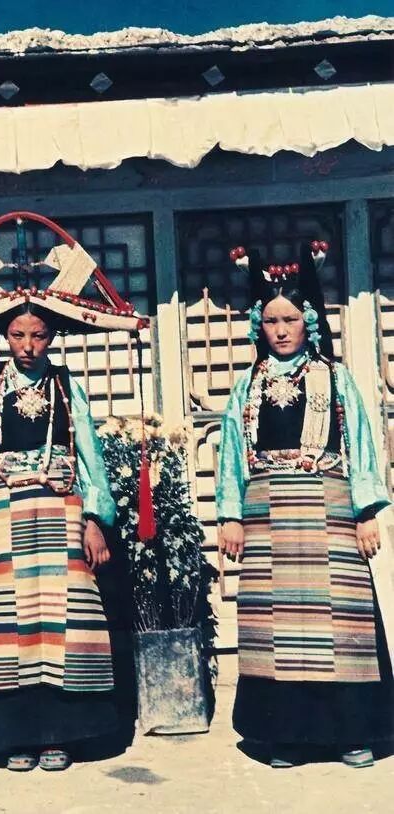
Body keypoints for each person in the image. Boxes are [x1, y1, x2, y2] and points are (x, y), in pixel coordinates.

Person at [217, 242, 393, 769]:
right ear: (259, 325)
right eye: (271, 321)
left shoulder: (334, 378)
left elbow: (360, 443)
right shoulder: (247, 386)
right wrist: (230, 516)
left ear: (308, 321)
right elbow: (232, 454)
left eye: (290, 319)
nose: (281, 330)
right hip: (267, 515)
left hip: (329, 509)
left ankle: (351, 734)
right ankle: (287, 736)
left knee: (340, 624)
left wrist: (365, 513)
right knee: (279, 629)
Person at [0, 304, 119, 771]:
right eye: (17, 335)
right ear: (4, 335)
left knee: (61, 624)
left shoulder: (66, 386)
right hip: (2, 515)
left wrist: (94, 519)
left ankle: (58, 735)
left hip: (60, 510)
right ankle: (15, 738)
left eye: (39, 335)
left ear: (52, 336)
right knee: (9, 627)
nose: (28, 346)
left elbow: (90, 456)